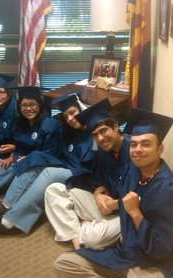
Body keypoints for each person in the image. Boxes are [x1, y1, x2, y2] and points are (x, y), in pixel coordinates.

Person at [35, 109, 173, 278]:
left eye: (145, 144)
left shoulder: (169, 188)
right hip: (125, 252)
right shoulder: (135, 171)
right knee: (65, 263)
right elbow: (115, 201)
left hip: (154, 265)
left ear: (160, 148)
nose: (137, 150)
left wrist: (135, 215)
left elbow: (162, 248)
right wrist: (120, 218)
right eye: (134, 144)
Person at [0, 92, 97, 235]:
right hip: (66, 164)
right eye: (66, 116)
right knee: (34, 160)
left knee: (46, 171)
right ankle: (6, 205)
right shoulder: (69, 129)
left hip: (80, 174)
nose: (70, 119)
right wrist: (31, 157)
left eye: (73, 113)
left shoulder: (95, 134)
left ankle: (11, 221)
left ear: (82, 109)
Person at [44, 98, 130, 249]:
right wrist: (98, 195)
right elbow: (99, 181)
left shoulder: (135, 151)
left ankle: (85, 225)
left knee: (93, 239)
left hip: (126, 215)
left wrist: (114, 204)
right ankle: (76, 240)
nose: (100, 139)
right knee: (53, 191)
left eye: (103, 131)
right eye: (95, 135)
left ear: (116, 126)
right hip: (105, 207)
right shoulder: (103, 151)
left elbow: (143, 198)